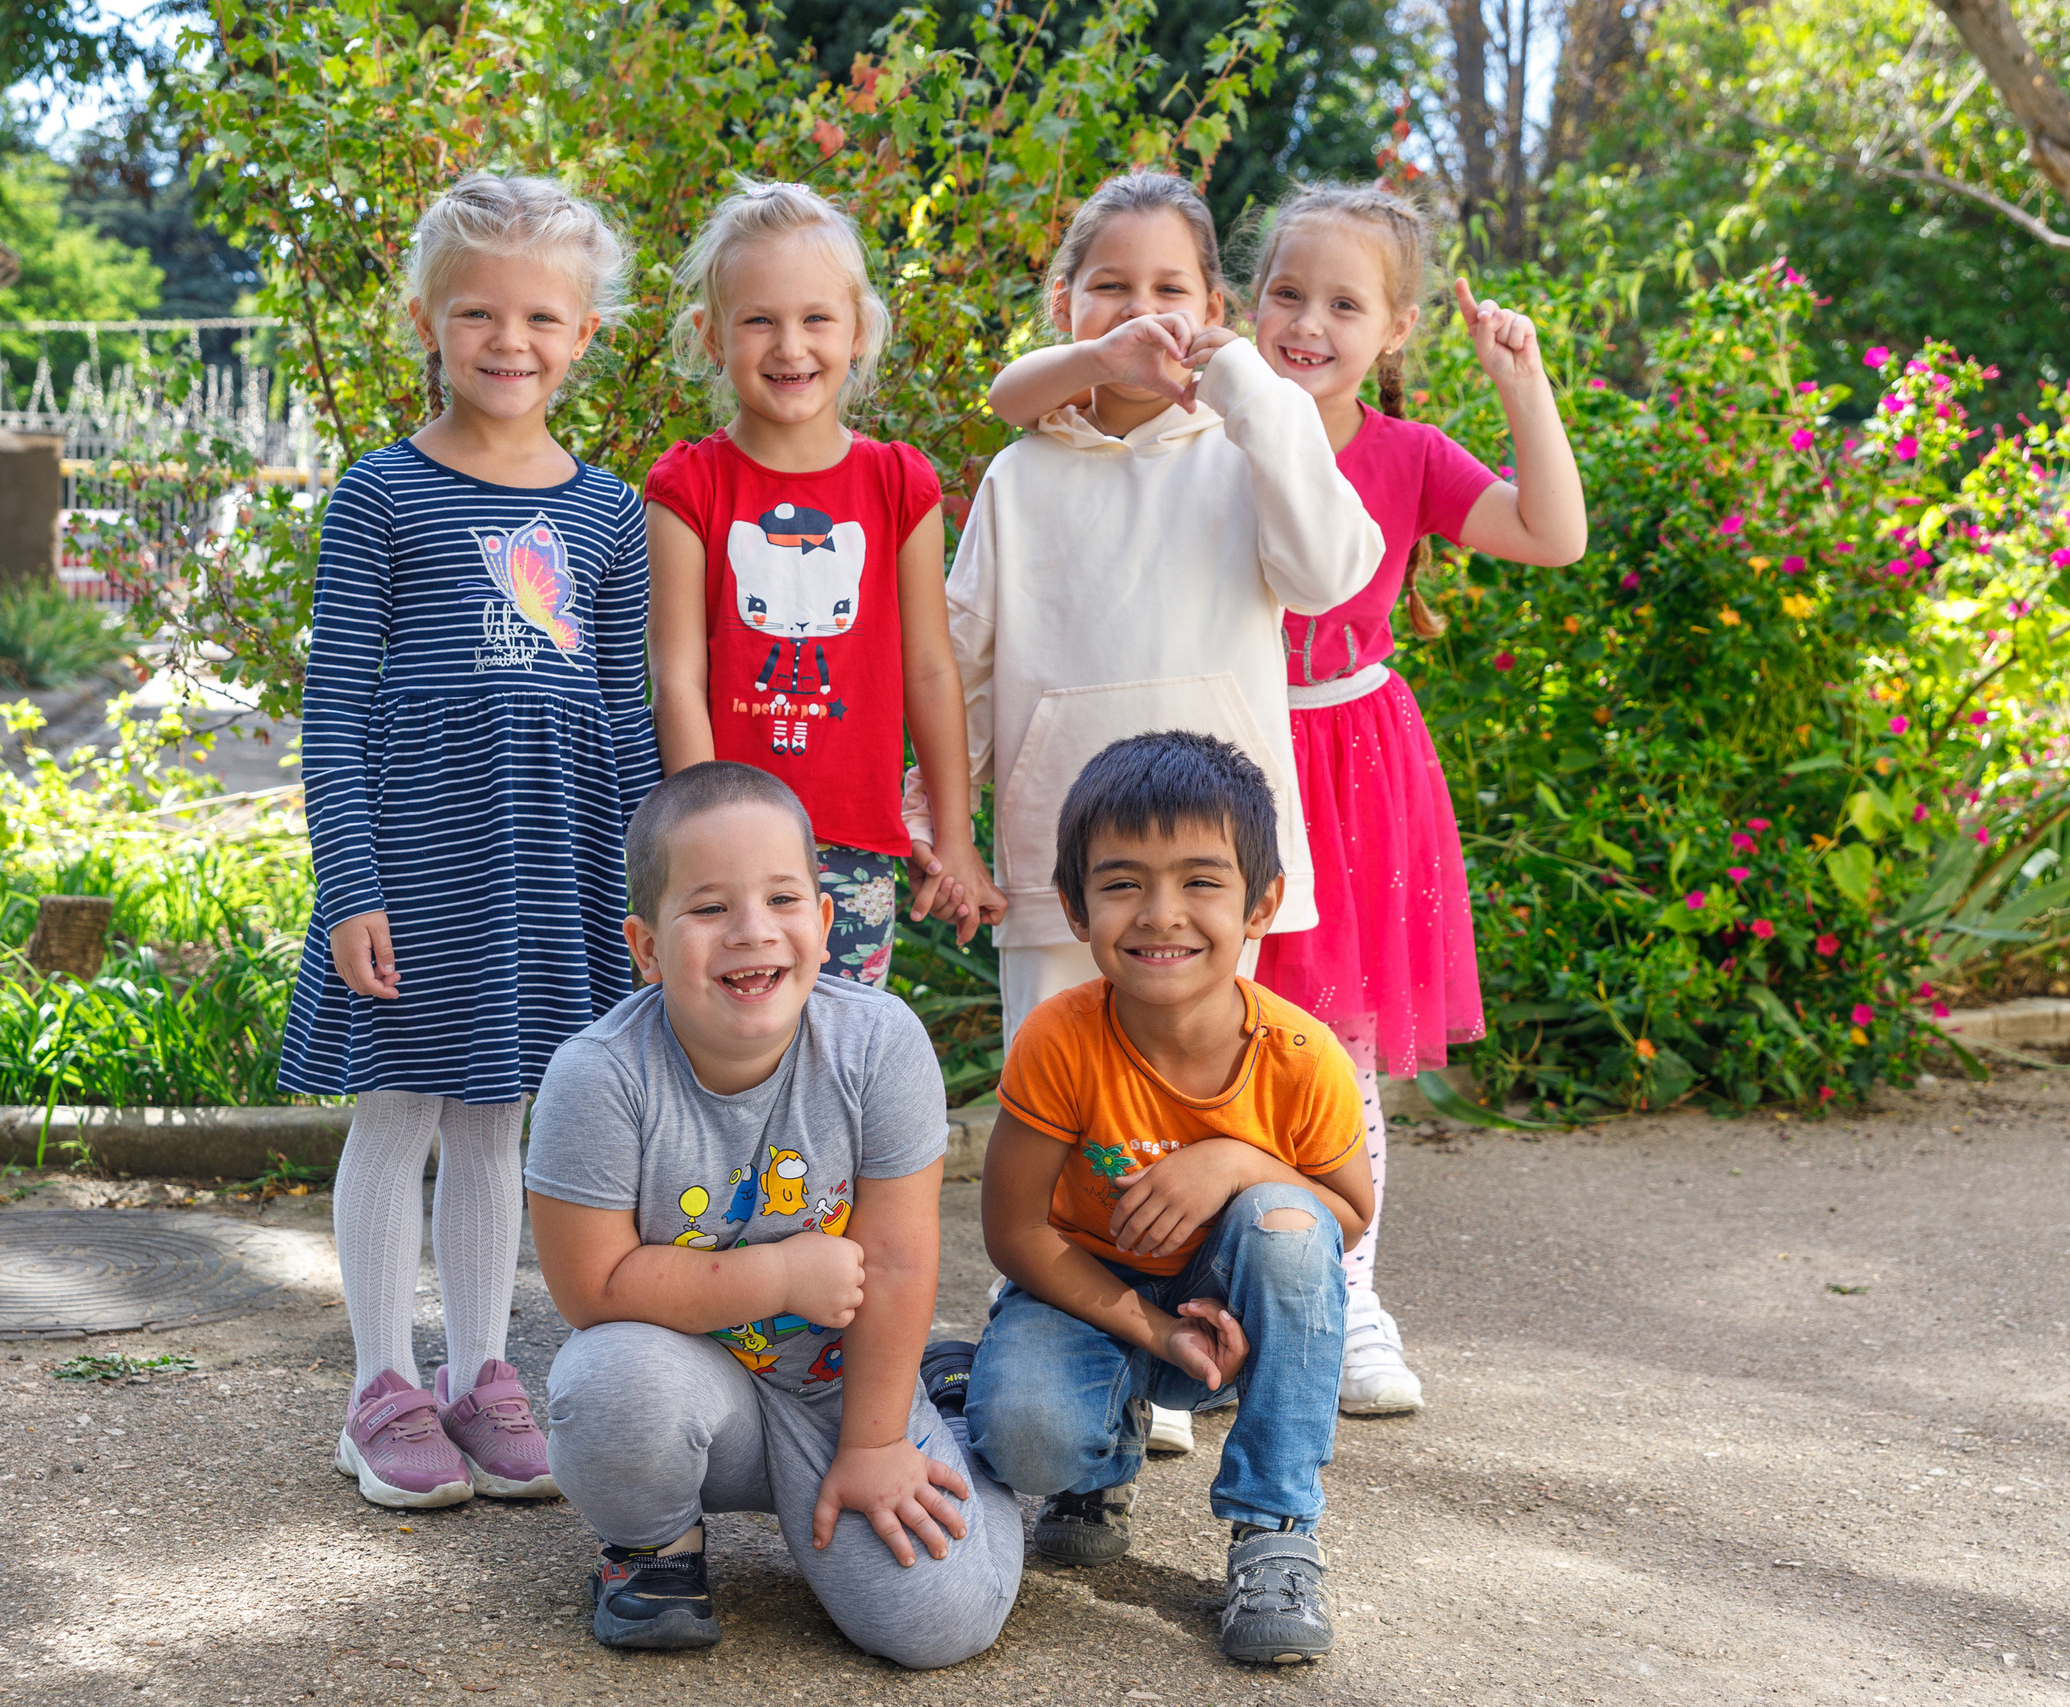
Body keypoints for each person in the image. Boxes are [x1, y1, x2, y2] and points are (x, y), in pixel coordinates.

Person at [946, 168, 1385, 1454]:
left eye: (1171, 290)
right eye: (1111, 289)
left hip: (1205, 873)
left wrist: (1254, 388)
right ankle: (1067, 1338)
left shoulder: (1248, 452)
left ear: (1215, 309)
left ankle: (1210, 1319)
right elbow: (965, 658)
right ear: (1067, 304)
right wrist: (947, 828)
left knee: (1209, 1106)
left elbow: (1330, 567)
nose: (1143, 313)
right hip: (1058, 872)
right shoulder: (1021, 478)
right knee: (1064, 1110)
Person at [279, 172, 659, 1509]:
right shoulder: (381, 494)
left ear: (587, 332)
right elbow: (329, 711)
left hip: (549, 860)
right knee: (398, 1111)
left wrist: (645, 890)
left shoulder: (610, 514)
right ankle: (383, 1381)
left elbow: (626, 713)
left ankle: (483, 1371)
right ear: (428, 322)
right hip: (418, 857)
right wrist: (352, 886)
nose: (512, 339)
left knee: (499, 1118)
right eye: (480, 312)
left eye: (543, 315)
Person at [527, 761, 1022, 1666]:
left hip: (845, 1384)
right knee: (605, 1383)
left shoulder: (878, 1044)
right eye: (709, 908)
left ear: (826, 923)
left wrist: (876, 1440)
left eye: (783, 898)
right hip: (692, 1383)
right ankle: (654, 1549)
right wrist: (783, 1273)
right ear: (646, 945)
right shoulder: (596, 1078)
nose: (752, 932)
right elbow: (592, 1289)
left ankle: (947, 1419)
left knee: (939, 1624)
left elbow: (903, 1264)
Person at [1244, 183, 1587, 1415]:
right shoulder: (1208, 428)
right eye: (1287, 293)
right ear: (1250, 301)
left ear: (1393, 331)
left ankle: (1347, 1297)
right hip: (1224, 757)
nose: (1307, 322)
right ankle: (1198, 1314)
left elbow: (1554, 533)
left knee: (1333, 1048)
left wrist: (1518, 378)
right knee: (1195, 1032)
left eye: (1344, 303)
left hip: (1354, 761)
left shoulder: (1402, 456)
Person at [966, 731, 1373, 1667]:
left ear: (1262, 902)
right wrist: (1152, 1333)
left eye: (1200, 881)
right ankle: (1095, 1456)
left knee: (1287, 1224)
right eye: (1121, 883)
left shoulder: (1303, 1060)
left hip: (1226, 1300)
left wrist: (1236, 1159)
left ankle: (1276, 1525)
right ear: (1074, 907)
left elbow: (1345, 1215)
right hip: (1087, 1293)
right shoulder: (1059, 1039)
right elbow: (1015, 1228)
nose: (1161, 914)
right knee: (1024, 1438)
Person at [645, 180, 1003, 984]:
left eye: (815, 319)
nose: (790, 346)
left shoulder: (897, 486)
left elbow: (930, 670)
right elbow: (677, 678)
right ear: (710, 335)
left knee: (840, 1053)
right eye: (759, 320)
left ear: (858, 331)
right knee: (722, 1058)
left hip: (855, 847)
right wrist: (709, 830)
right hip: (721, 854)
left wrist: (953, 836)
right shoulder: (687, 488)